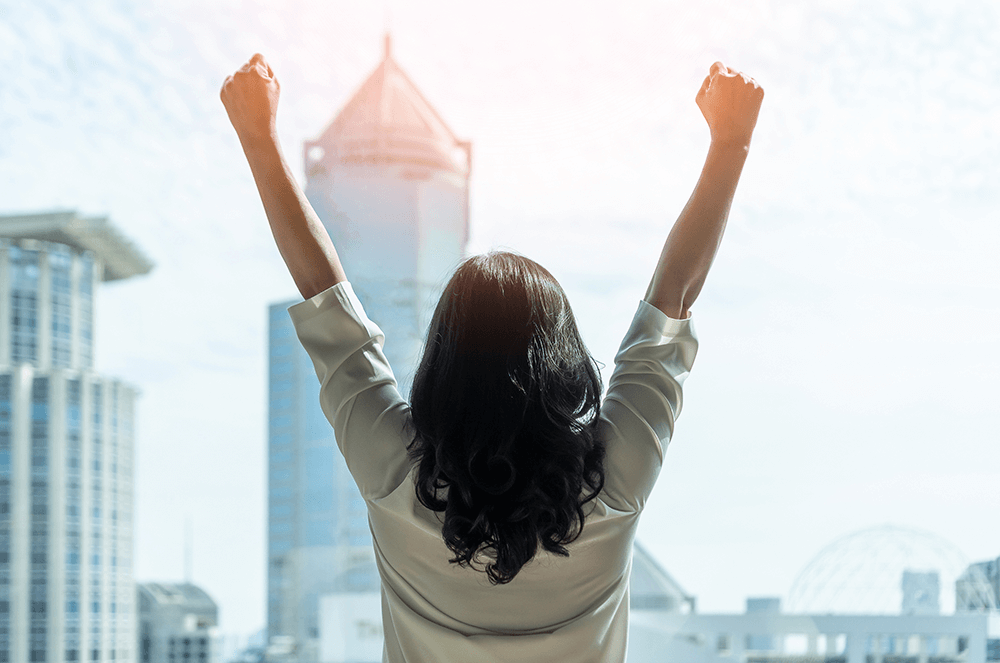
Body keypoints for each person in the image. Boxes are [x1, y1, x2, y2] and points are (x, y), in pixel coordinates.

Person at [221, 53, 762, 663]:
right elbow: (672, 300)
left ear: (441, 363)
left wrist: (258, 138)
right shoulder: (612, 484)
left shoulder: (395, 472)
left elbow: (326, 298)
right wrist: (731, 143)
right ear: (563, 362)